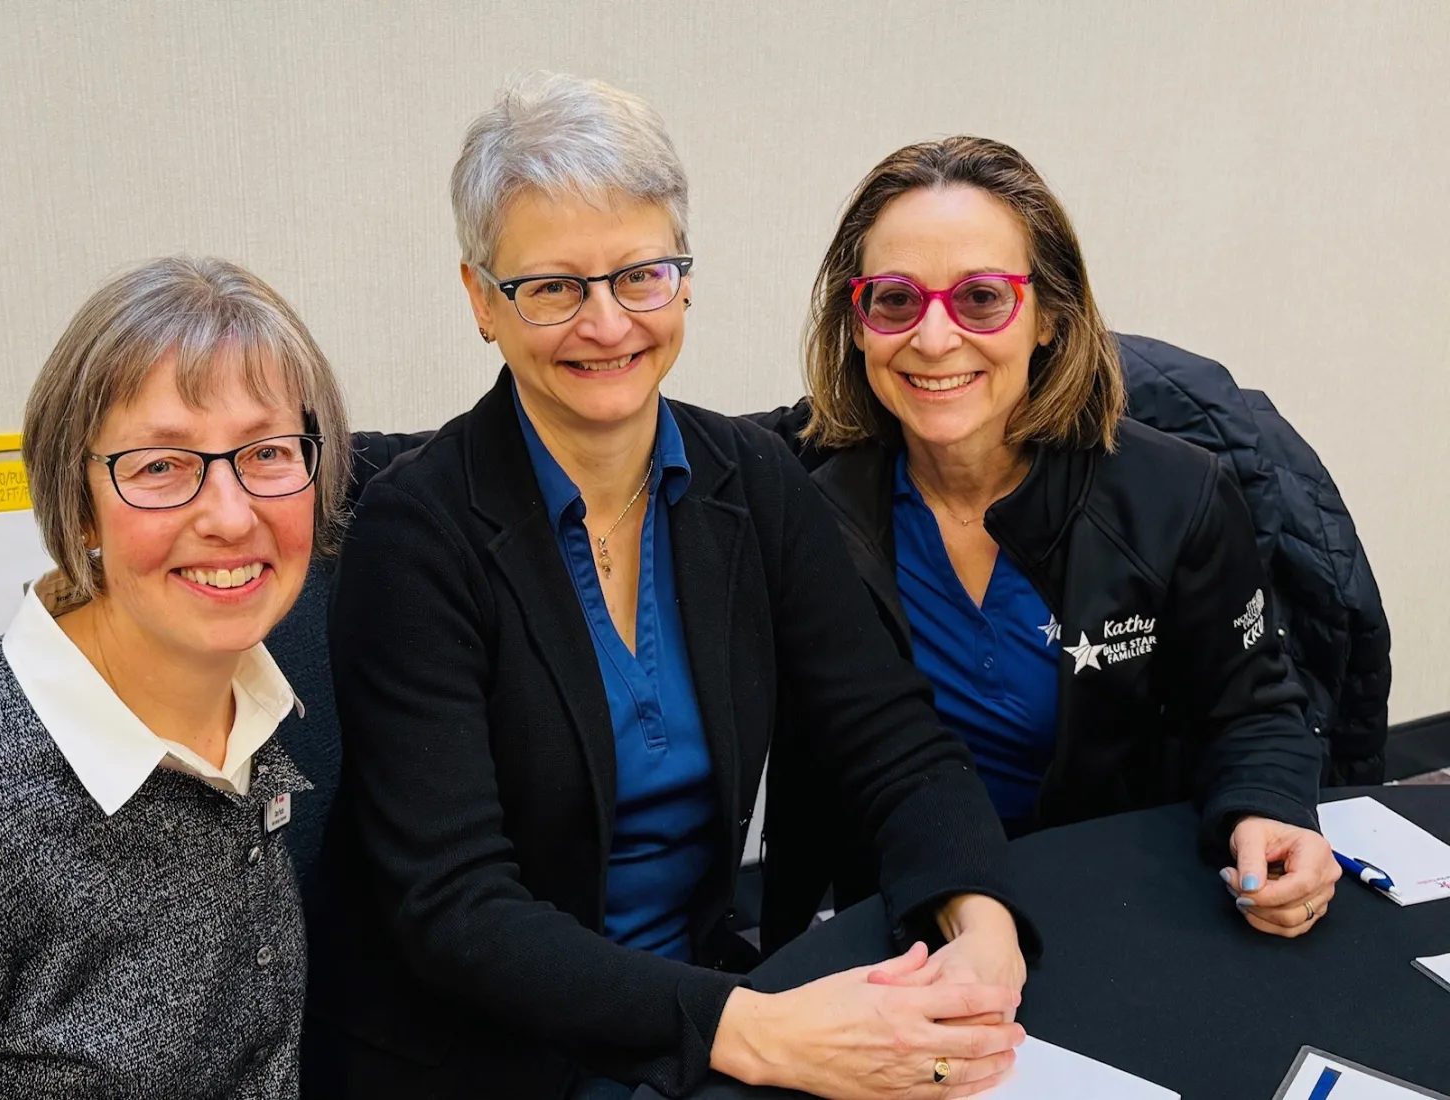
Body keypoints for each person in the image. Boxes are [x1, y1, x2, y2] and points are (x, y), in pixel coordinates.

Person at [304, 74, 1033, 1100]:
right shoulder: (415, 533)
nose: (607, 324)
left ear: (683, 280)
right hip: (483, 1051)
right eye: (552, 285)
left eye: (639, 274)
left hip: (695, 1014)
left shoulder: (756, 483)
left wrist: (981, 925)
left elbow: (893, 738)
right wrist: (755, 1029)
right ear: (481, 301)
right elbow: (456, 905)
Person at [764, 136, 1336, 948]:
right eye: (894, 299)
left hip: (1115, 901)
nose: (933, 339)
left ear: (1049, 318)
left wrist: (1273, 813)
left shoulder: (1174, 497)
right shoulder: (795, 488)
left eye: (982, 298)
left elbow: (1252, 708)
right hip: (897, 914)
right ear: (856, 325)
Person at [0, 255, 351, 1097]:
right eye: (160, 465)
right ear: (77, 504)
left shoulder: (256, 710)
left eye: (266, 452)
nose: (231, 516)